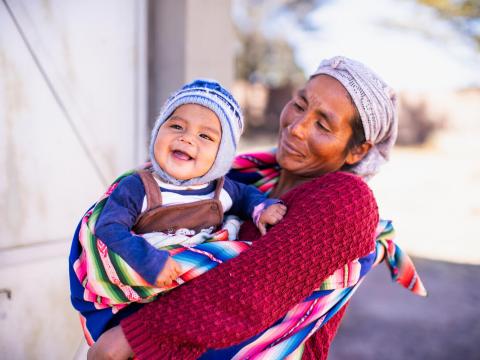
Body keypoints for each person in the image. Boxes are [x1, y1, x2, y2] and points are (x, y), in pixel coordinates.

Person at [87, 56, 400, 360]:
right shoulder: (241, 180)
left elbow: (257, 287)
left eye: (323, 125)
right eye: (300, 105)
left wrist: (134, 336)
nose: (297, 127)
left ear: (357, 150)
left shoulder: (346, 200)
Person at [69, 79, 286, 343]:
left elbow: (248, 197)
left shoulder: (223, 190)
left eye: (205, 136)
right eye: (176, 126)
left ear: (223, 155)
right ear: (157, 132)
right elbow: (109, 227)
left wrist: (262, 208)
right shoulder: (140, 187)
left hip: (191, 301)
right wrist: (148, 260)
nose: (186, 138)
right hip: (144, 294)